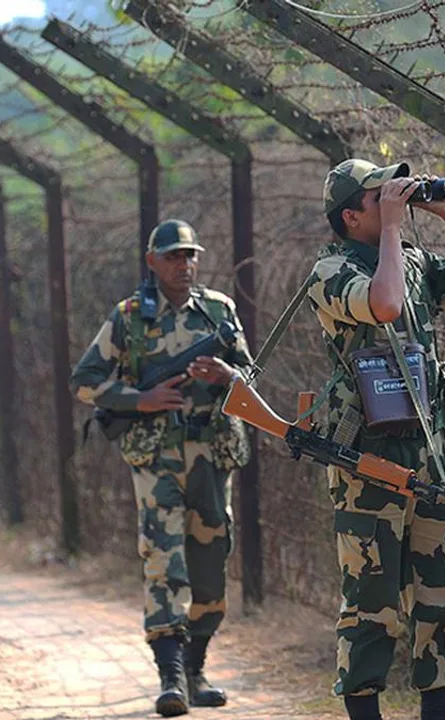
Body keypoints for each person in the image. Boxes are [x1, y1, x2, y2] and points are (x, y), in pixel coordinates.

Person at [305, 159, 445, 720]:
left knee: (440, 599)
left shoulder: (414, 261)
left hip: (430, 455)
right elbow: (384, 304)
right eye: (378, 197)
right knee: (372, 604)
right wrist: (394, 230)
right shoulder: (330, 270)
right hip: (367, 461)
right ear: (350, 216)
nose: (392, 199)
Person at [70, 220, 254, 717]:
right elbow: (85, 380)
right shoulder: (129, 318)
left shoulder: (219, 311)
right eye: (173, 256)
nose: (184, 264)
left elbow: (251, 377)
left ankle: (196, 667)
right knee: (163, 562)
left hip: (212, 455)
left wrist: (228, 375)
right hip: (158, 460)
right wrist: (142, 398)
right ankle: (171, 676)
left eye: (190, 255)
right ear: (152, 262)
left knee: (211, 566)